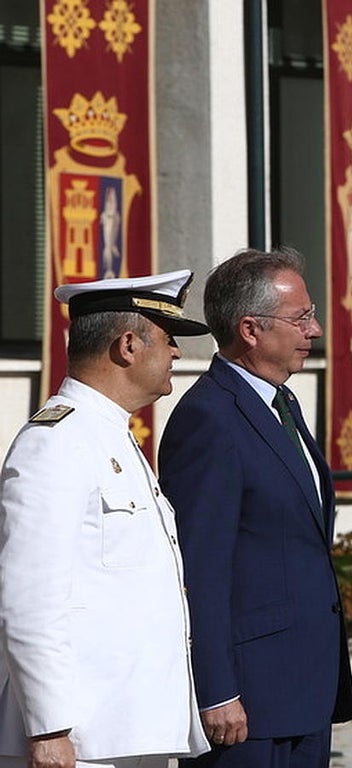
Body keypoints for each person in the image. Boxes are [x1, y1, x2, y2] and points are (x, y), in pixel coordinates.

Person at [0, 270, 212, 768]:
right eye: (168, 338)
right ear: (128, 346)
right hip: (81, 739)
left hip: (131, 730)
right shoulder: (56, 441)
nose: (176, 353)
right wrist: (49, 728)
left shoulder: (112, 435)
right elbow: (29, 597)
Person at [158, 249, 352, 768]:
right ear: (250, 329)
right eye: (301, 317)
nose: (314, 330)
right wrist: (216, 689)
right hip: (250, 700)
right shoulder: (210, 417)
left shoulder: (280, 402)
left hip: (304, 690)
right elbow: (200, 567)